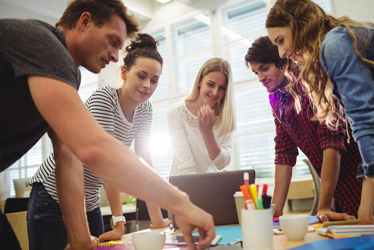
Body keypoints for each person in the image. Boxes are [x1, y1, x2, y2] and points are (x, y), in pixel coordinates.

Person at [0, 0, 215, 249]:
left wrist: (80, 236)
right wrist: (183, 206)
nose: (114, 56)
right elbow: (96, 149)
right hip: (48, 197)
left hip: (87, 199)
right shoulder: (45, 44)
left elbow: (67, 153)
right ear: (85, 21)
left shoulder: (70, 73)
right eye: (112, 41)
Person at [265, 0, 374, 230]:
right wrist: (366, 211)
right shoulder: (336, 46)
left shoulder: (335, 45)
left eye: (281, 40)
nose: (282, 52)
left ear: (299, 24)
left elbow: (367, 128)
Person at [27, 33, 172, 249]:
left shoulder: (145, 109)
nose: (147, 85)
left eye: (154, 80)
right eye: (141, 76)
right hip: (52, 196)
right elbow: (108, 162)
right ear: (124, 72)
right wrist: (119, 220)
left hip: (89, 201)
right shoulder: (105, 98)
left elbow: (145, 163)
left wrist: (158, 220)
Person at [245, 36, 374, 229]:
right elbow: (284, 153)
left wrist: (322, 205)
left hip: (368, 184)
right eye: (256, 72)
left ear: (283, 61)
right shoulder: (276, 100)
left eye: (265, 68)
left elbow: (331, 143)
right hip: (337, 192)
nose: (261, 78)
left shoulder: (312, 83)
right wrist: (276, 211)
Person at [166, 58, 236, 176]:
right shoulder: (176, 113)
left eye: (222, 88)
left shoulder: (226, 117)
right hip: (181, 186)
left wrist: (207, 133)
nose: (215, 92)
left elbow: (222, 164)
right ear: (199, 81)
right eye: (210, 84)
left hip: (208, 186)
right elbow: (186, 166)